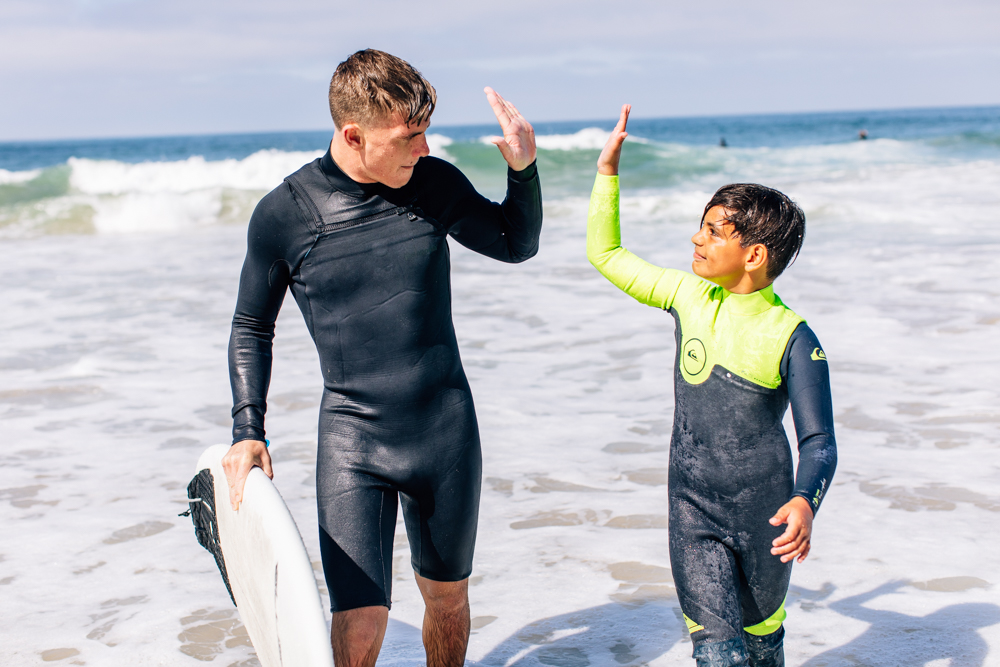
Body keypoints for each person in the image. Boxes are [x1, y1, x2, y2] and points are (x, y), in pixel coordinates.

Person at [222, 49, 542, 667]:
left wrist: (523, 173)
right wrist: (247, 430)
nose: (423, 148)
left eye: (425, 132)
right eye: (409, 135)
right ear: (353, 134)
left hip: (443, 429)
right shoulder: (285, 215)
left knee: (447, 603)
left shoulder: (433, 185)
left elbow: (514, 244)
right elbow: (251, 324)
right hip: (353, 438)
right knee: (362, 622)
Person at [587, 105, 836, 667]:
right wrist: (607, 173)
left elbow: (818, 441)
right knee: (716, 654)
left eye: (713, 230)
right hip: (693, 507)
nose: (695, 238)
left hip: (765, 519)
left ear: (753, 254)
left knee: (760, 649)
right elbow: (606, 254)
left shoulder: (792, 336)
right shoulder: (687, 296)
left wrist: (805, 500)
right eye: (701, 224)